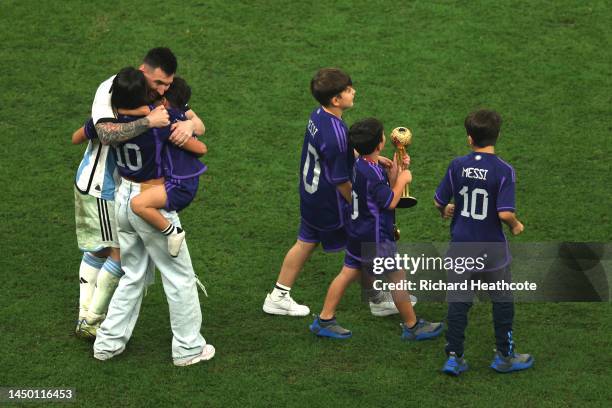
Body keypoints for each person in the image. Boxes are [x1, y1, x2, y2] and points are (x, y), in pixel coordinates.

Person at [93, 67, 214, 366]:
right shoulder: (159, 122)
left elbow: (90, 132)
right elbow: (200, 146)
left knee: (132, 275)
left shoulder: (112, 118)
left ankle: (107, 344)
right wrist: (187, 125)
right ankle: (188, 349)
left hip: (122, 198)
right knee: (180, 278)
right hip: (151, 203)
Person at [262, 68, 398, 317]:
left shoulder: (320, 116)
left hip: (311, 195)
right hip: (330, 202)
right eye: (348, 89)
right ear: (336, 100)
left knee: (305, 242)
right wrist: (359, 205)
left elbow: (336, 153)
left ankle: (278, 295)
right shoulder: (335, 133)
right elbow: (340, 180)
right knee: (365, 244)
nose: (353, 91)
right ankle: (377, 299)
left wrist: (371, 159)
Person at [309, 118, 443, 340]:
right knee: (397, 276)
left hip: (357, 231)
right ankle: (412, 326)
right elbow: (389, 201)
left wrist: (396, 169)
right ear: (380, 143)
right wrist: (403, 180)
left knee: (347, 273)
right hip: (376, 237)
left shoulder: (360, 165)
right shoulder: (372, 173)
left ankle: (324, 319)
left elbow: (379, 189)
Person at [434, 109, 533, 375]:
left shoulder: (457, 165)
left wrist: (445, 210)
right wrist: (515, 225)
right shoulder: (503, 170)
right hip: (492, 249)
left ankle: (454, 357)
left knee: (458, 301)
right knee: (502, 299)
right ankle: (504, 355)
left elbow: (439, 201)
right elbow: (505, 213)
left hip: (461, 245)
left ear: (469, 139)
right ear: (497, 136)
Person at [118, 77, 208, 257]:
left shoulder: (167, 119)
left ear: (164, 101)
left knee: (138, 204)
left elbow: (202, 148)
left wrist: (118, 109)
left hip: (179, 184)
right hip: (183, 181)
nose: (156, 93)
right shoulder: (178, 112)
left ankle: (173, 232)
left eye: (161, 89)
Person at [72, 118, 124, 339]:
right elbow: (77, 137)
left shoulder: (106, 110)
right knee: (120, 254)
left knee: (99, 249)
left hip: (88, 182)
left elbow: (76, 137)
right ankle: (92, 320)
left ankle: (85, 315)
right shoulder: (115, 116)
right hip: (103, 189)